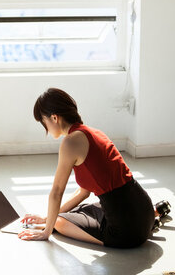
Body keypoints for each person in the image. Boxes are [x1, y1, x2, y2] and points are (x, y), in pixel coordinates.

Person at [18, 88, 159, 248]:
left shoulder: (70, 142)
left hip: (125, 231)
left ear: (54, 118)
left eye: (44, 122)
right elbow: (83, 192)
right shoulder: (94, 132)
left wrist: (47, 231)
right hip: (144, 212)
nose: (45, 128)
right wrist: (45, 218)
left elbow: (57, 191)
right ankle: (152, 216)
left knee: (59, 221)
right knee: (76, 211)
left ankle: (56, 223)